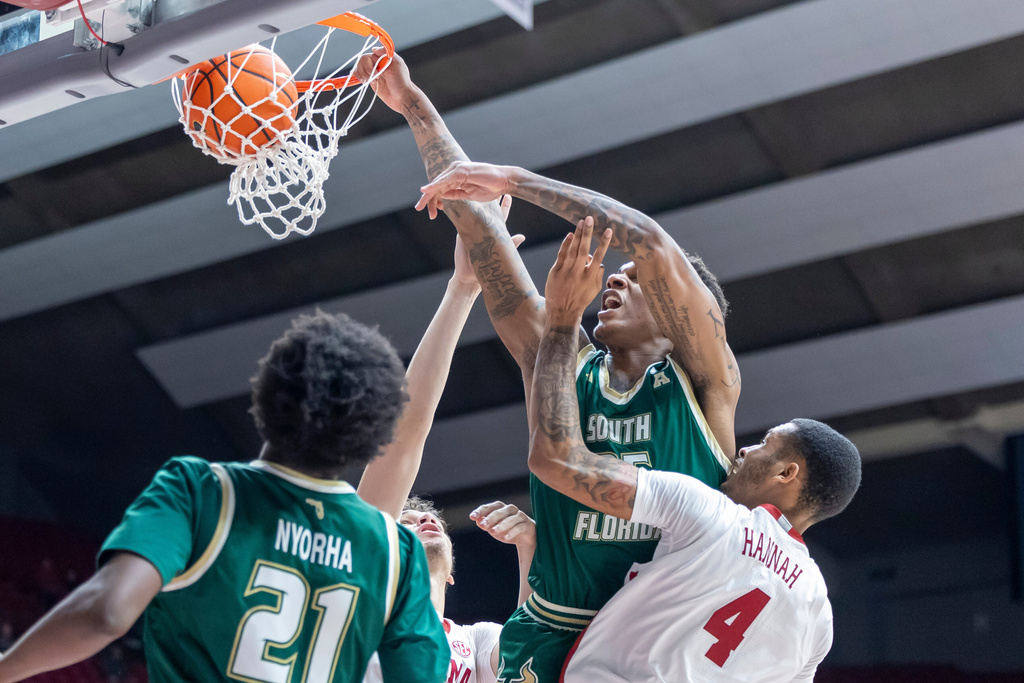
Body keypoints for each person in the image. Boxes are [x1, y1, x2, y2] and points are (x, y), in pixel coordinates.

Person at [368, 50, 739, 681]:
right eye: (615, 276)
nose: (613, 281)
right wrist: (413, 106)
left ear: (682, 316)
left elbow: (652, 244)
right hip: (549, 635)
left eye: (632, 281)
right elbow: (479, 234)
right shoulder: (563, 360)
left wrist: (514, 179)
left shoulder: (706, 385)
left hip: (648, 644)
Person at [0, 311, 447, 683]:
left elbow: (108, 614)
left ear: (266, 392)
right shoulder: (397, 551)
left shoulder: (200, 490)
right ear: (371, 437)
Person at [528, 222, 862, 682]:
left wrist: (563, 319)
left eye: (764, 444)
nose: (744, 450)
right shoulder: (816, 609)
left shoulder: (713, 515)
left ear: (787, 473)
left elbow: (557, 461)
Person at [351, 197, 538, 683]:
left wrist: (529, 546)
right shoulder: (358, 598)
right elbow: (403, 439)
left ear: (452, 573)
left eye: (426, 517)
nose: (426, 520)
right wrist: (462, 289)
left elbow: (529, 657)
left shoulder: (475, 643)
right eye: (406, 522)